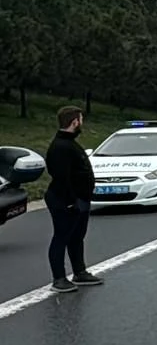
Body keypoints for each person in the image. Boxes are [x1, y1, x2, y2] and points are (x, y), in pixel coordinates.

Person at [43, 106, 103, 293]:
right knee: (61, 237)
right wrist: (70, 201)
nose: (82, 123)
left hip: (80, 199)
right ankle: (59, 278)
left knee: (77, 237)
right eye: (81, 120)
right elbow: (62, 177)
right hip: (65, 200)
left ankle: (79, 272)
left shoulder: (69, 143)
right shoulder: (61, 146)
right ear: (75, 122)